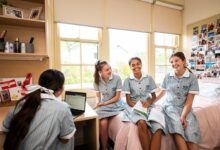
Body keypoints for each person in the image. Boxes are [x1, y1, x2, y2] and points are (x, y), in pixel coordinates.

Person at [2, 69, 76, 150]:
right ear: (60, 90)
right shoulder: (63, 108)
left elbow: (5, 129)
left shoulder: (21, 103)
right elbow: (65, 140)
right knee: (70, 135)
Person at [156, 52, 200, 150]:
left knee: (191, 129)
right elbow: (162, 93)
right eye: (172, 62)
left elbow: (189, 101)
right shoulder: (168, 76)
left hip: (185, 107)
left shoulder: (192, 78)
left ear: (183, 61)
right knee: (177, 125)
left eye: (176, 60)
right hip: (170, 106)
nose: (174, 63)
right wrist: (150, 102)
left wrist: (183, 115)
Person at [122, 57, 163, 150]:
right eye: (133, 65)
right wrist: (139, 107)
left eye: (138, 64)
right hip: (134, 106)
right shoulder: (127, 80)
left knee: (158, 127)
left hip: (149, 105)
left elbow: (154, 97)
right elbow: (128, 101)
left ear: (141, 65)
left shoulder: (149, 78)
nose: (136, 66)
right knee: (142, 123)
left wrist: (148, 104)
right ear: (130, 67)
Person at [93, 60, 124, 150]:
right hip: (104, 104)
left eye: (110, 68)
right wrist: (98, 103)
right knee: (102, 123)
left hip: (116, 104)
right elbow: (97, 96)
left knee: (98, 117)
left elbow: (117, 97)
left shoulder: (117, 78)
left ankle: (103, 147)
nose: (110, 71)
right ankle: (103, 147)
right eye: (107, 70)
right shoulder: (96, 81)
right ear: (100, 72)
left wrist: (103, 103)